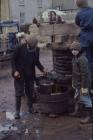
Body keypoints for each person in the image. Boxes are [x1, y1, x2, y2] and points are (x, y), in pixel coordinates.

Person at [12, 35, 47, 119]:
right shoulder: (19, 47)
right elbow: (12, 59)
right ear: (27, 44)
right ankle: (17, 111)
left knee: (30, 91)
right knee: (19, 92)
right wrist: (15, 71)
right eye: (30, 47)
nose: (32, 48)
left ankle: (30, 108)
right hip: (19, 73)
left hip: (30, 73)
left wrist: (43, 69)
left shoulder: (36, 50)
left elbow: (37, 62)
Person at [70, 41, 93, 124]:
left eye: (75, 49)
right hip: (77, 84)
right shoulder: (75, 58)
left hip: (84, 84)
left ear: (79, 50)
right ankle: (78, 112)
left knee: (86, 99)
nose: (73, 51)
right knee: (77, 98)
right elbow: (75, 72)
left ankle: (91, 117)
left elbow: (85, 75)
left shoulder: (82, 59)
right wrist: (73, 82)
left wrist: (84, 87)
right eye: (72, 49)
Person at [75, 0, 93, 95]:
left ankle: (86, 94)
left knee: (87, 65)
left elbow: (77, 23)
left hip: (85, 38)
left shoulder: (79, 14)